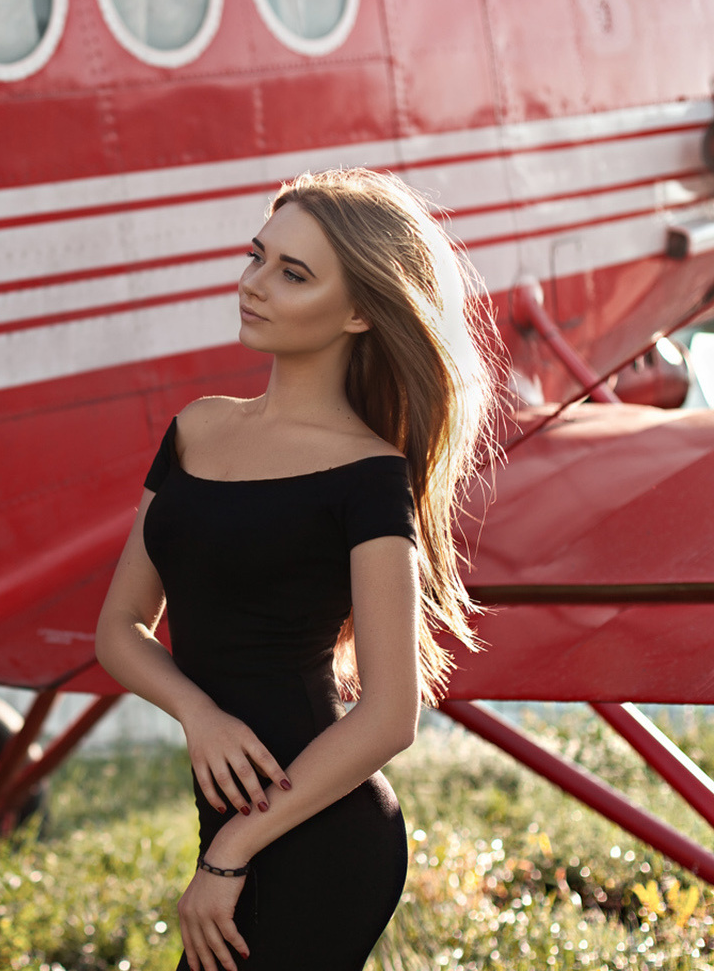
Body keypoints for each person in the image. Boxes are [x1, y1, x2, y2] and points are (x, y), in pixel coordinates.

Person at [93, 168, 497, 971]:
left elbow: (389, 716)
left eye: (292, 274)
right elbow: (119, 628)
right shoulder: (194, 431)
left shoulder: (372, 477)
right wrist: (198, 715)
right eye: (257, 257)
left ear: (357, 312)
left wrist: (230, 853)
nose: (254, 285)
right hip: (234, 826)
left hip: (323, 838)